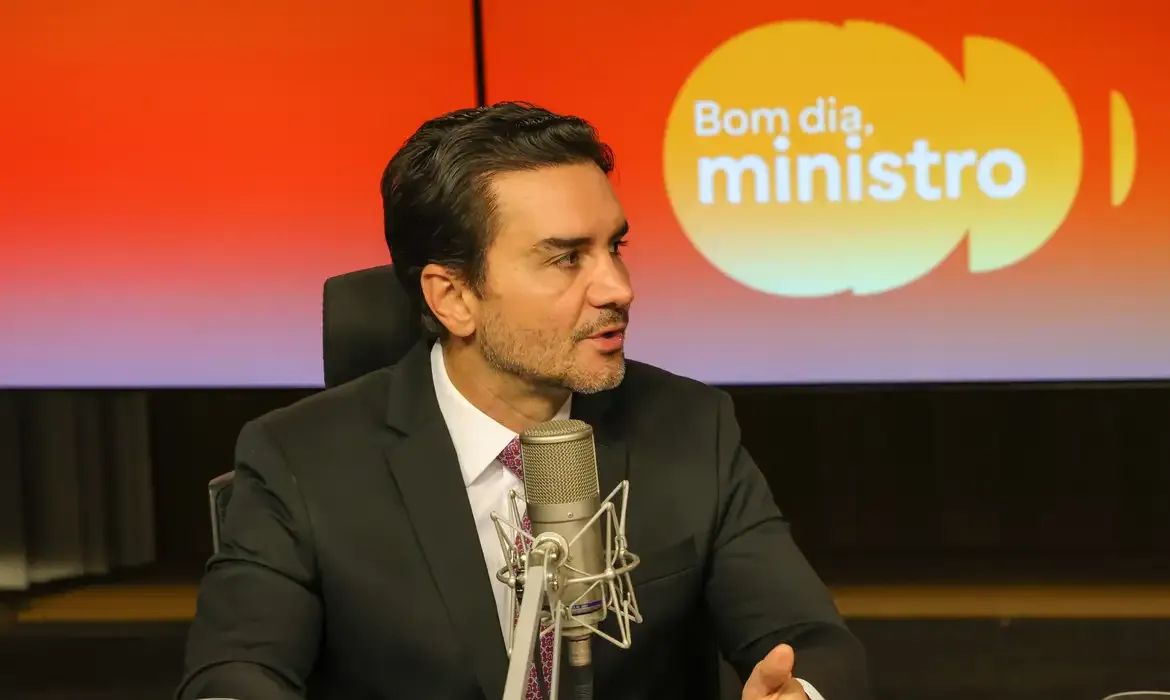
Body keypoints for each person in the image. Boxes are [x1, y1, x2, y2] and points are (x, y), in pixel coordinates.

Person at [177, 102, 871, 700]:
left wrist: (801, 692)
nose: (618, 287)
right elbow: (237, 669)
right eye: (567, 257)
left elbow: (809, 639)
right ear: (453, 297)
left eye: (615, 247)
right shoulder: (299, 459)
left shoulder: (691, 427)